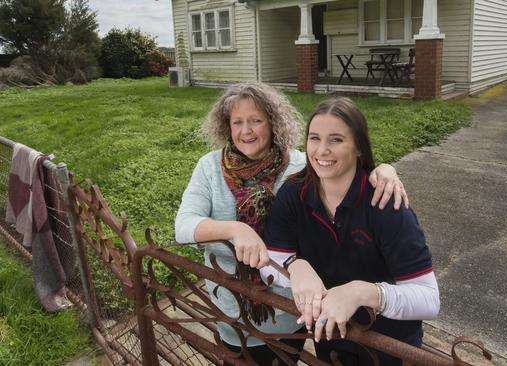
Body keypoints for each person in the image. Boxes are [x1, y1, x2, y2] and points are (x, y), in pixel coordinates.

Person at [174, 83, 409, 365]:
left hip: (290, 311)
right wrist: (236, 229)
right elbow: (184, 227)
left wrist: (383, 170)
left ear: (273, 122)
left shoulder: (299, 166)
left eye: (256, 121)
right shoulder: (210, 167)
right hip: (232, 310)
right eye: (237, 122)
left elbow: (345, 170)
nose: (245, 131)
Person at [262, 97, 439, 365]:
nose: (321, 150)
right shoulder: (294, 193)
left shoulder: (385, 202)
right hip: (331, 336)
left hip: (389, 343)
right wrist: (296, 267)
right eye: (314, 138)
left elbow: (428, 299)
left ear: (358, 147)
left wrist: (360, 292)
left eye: (336, 140)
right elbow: (270, 264)